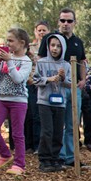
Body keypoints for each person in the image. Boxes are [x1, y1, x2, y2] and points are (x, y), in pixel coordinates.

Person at [37, 8, 87, 167]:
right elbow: (40, 63)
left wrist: (83, 80)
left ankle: (71, 157)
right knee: (55, 126)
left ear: (74, 23)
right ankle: (55, 156)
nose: (66, 24)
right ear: (59, 22)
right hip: (51, 90)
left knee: (72, 123)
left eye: (69, 21)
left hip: (72, 86)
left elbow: (82, 63)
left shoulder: (78, 42)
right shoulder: (49, 39)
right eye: (63, 20)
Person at [0, 28, 32, 175]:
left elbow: (18, 79)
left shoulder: (26, 61)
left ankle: (20, 164)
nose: (8, 44)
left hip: (18, 101)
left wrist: (9, 62)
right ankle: (5, 154)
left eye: (11, 41)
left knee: (17, 134)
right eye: (7, 41)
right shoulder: (8, 58)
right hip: (2, 99)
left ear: (22, 42)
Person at [34, 34, 72, 172]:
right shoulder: (42, 62)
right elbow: (35, 80)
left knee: (57, 131)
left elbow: (70, 83)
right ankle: (44, 160)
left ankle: (55, 158)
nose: (55, 49)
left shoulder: (66, 65)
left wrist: (62, 78)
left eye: (58, 46)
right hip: (44, 101)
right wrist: (48, 79)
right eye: (52, 45)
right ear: (48, 46)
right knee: (47, 131)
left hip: (60, 102)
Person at [25, 20, 50, 152]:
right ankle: (33, 144)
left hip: (46, 83)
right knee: (32, 114)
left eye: (44, 30)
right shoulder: (30, 48)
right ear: (35, 32)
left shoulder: (51, 47)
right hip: (31, 83)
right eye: (39, 30)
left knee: (41, 116)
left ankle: (41, 145)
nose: (41, 32)